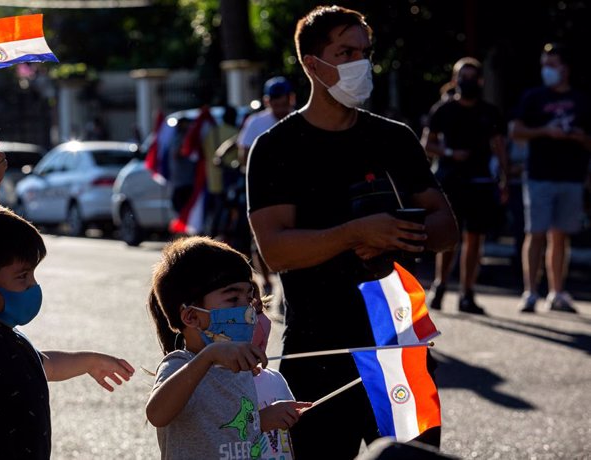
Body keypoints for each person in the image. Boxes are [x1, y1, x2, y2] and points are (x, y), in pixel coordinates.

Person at [246, 6, 458, 459]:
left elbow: (445, 226)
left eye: (365, 52)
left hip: (400, 346)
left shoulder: (395, 138)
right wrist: (355, 233)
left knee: (411, 459)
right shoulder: (275, 148)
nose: (360, 63)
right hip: (317, 352)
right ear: (311, 63)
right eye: (345, 52)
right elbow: (276, 250)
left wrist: (400, 234)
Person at [0, 133, 135, 458]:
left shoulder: (8, 340)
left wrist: (88, 361)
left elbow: (43, 366)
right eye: (22, 276)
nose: (32, 285)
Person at [145, 236, 311, 459]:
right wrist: (208, 357)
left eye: (249, 298)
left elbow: (230, 434)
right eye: (233, 299)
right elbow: (157, 414)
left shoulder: (241, 373)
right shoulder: (180, 364)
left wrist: (261, 421)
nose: (247, 310)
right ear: (192, 316)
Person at [421, 57, 509, 315]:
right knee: (450, 238)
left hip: (480, 182)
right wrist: (449, 153)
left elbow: (500, 146)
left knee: (475, 238)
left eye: (472, 77)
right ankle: (441, 285)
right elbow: (427, 145)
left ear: (480, 81)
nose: (467, 82)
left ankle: (467, 292)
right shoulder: (444, 110)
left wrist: (504, 179)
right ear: (454, 79)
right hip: (450, 182)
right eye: (462, 76)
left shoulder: (489, 112)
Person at [511, 42, 591, 313]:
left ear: (565, 68)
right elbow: (516, 131)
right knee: (535, 233)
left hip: (571, 176)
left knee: (561, 236)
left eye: (552, 64)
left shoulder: (582, 100)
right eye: (544, 64)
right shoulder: (534, 97)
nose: (547, 70)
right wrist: (545, 130)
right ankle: (530, 292)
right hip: (539, 175)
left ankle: (557, 292)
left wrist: (580, 138)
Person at [238, 76, 296, 297]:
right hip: (265, 189)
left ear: (292, 99)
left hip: (295, 189)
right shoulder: (256, 123)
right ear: (266, 101)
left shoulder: (304, 119)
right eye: (275, 103)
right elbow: (244, 153)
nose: (280, 108)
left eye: (284, 102)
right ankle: (266, 280)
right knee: (261, 237)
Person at [251, 286, 298, 459]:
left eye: (260, 309)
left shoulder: (275, 379)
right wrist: (259, 422)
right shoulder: (210, 387)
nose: (262, 322)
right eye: (251, 315)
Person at [203, 105, 239, 237]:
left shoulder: (212, 132)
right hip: (230, 178)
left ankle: (211, 235)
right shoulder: (235, 132)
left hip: (213, 178)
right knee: (229, 208)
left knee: (216, 210)